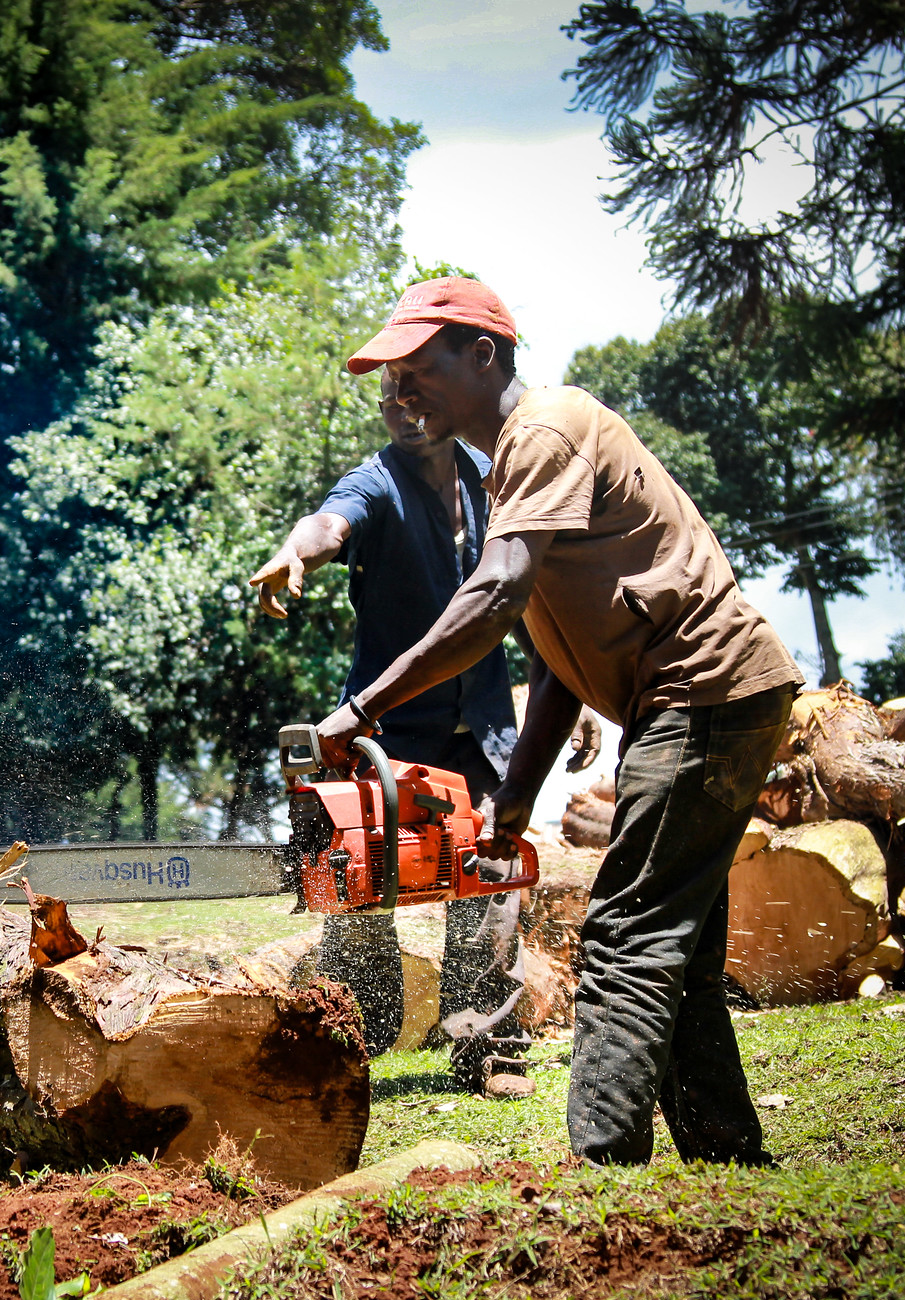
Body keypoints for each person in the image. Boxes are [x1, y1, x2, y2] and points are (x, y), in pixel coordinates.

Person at [319, 276, 803, 1166]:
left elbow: (496, 595)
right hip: (704, 697)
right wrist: (510, 809)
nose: (401, 391)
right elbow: (555, 669)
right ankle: (728, 1158)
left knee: (624, 931)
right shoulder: (516, 467)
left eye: (418, 367)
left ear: (483, 354)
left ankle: (601, 1167)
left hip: (702, 694)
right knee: (675, 944)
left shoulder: (541, 430)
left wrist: (362, 709)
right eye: (391, 377)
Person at [249, 376, 597, 1079]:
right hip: (386, 733)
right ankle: (352, 1043)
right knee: (359, 883)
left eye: (417, 395)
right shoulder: (374, 481)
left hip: (484, 728)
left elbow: (520, 595)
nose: (406, 410)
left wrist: (572, 688)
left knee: (491, 875)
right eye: (391, 400)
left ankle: (488, 1047)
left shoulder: (491, 476)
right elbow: (330, 523)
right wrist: (296, 552)